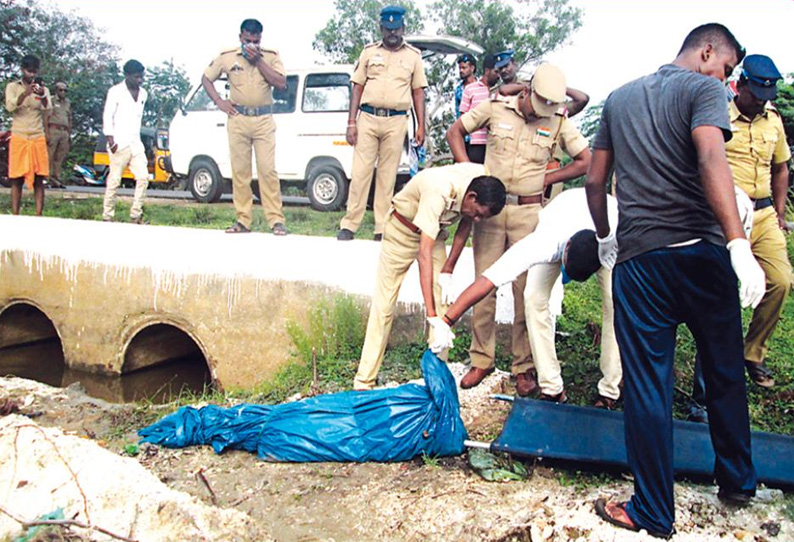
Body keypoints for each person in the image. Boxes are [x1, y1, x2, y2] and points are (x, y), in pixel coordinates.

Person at [586, 23, 764, 537]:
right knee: (725, 372)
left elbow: (596, 182)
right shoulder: (704, 89)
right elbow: (711, 155)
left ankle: (653, 512)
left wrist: (605, 238)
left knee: (647, 388)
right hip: (704, 257)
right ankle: (737, 482)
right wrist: (735, 242)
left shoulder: (618, 100)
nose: (728, 82)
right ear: (707, 51)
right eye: (727, 69)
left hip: (642, 263)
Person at [446, 64, 591, 396]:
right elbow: (456, 131)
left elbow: (585, 160)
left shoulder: (557, 121)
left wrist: (547, 180)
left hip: (529, 213)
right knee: (484, 284)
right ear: (526, 91)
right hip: (491, 212)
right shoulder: (495, 107)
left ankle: (523, 367)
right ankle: (481, 358)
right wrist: (469, 172)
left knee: (526, 291)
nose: (541, 113)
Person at [435, 188, 621, 406]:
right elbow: (488, 280)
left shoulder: (617, 237)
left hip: (606, 233)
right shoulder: (544, 242)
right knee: (533, 298)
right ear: (565, 249)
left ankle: (611, 389)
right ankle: (551, 387)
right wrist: (446, 321)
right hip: (563, 218)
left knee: (616, 303)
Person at [353, 163, 506, 390]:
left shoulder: (481, 177)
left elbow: (465, 224)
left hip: (434, 236)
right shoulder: (439, 191)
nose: (477, 220)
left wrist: (448, 269)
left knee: (444, 303)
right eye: (478, 214)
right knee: (384, 306)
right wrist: (430, 314)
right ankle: (363, 382)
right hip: (401, 232)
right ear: (472, 197)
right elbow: (423, 255)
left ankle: (436, 379)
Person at [725, 54, 792, 388]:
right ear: (740, 85)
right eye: (756, 95)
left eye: (768, 97)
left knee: (781, 281)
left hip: (764, 214)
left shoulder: (773, 121)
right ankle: (718, 359)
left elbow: (781, 167)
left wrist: (779, 213)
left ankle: (752, 352)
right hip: (728, 216)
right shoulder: (720, 116)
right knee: (723, 288)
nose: (761, 103)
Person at [337, 5, 428, 242]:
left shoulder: (413, 56)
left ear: (403, 28)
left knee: (388, 176)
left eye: (396, 29)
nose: (392, 34)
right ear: (381, 28)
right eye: (388, 29)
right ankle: (349, 224)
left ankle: (381, 227)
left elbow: (418, 92)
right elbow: (357, 87)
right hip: (367, 117)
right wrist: (351, 122)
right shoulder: (368, 52)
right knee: (360, 173)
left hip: (397, 121)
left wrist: (421, 126)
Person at [202, 18, 288, 235]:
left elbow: (280, 83)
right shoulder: (227, 56)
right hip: (238, 118)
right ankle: (243, 220)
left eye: (256, 40)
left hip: (263, 119)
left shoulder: (270, 55)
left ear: (261, 39)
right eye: (248, 40)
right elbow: (206, 78)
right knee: (240, 172)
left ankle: (276, 220)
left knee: (268, 170)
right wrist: (220, 102)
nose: (251, 44)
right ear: (240, 37)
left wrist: (259, 60)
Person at [102, 60, 149, 224]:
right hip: (119, 142)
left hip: (135, 142)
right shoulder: (115, 92)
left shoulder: (143, 94)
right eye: (136, 77)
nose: (139, 80)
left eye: (141, 77)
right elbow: (108, 115)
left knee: (143, 177)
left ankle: (136, 214)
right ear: (127, 75)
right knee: (115, 180)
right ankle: (107, 215)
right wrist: (110, 139)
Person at [4, 54, 51, 216]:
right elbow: (10, 107)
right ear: (22, 70)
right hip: (19, 135)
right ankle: (15, 214)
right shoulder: (12, 87)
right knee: (16, 178)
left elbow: (48, 109)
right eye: (29, 71)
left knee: (39, 177)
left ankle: (39, 214)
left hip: (37, 135)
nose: (32, 75)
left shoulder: (43, 89)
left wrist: (42, 94)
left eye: (35, 72)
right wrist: (25, 93)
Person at [458, 54, 498, 165]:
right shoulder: (470, 89)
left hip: (495, 145)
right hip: (476, 144)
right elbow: (462, 119)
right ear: (487, 71)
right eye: (496, 72)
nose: (498, 76)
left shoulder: (499, 91)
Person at [46, 81, 70, 188]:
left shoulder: (67, 102)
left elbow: (69, 117)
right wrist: (47, 133)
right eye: (61, 90)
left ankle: (55, 178)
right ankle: (45, 178)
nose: (63, 92)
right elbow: (45, 117)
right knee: (49, 155)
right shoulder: (51, 100)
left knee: (59, 156)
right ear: (56, 90)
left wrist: (69, 133)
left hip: (64, 131)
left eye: (65, 90)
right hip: (53, 129)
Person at [454, 53, 477, 119]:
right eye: (460, 68)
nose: (461, 71)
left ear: (472, 68)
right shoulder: (458, 90)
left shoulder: (481, 87)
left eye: (464, 68)